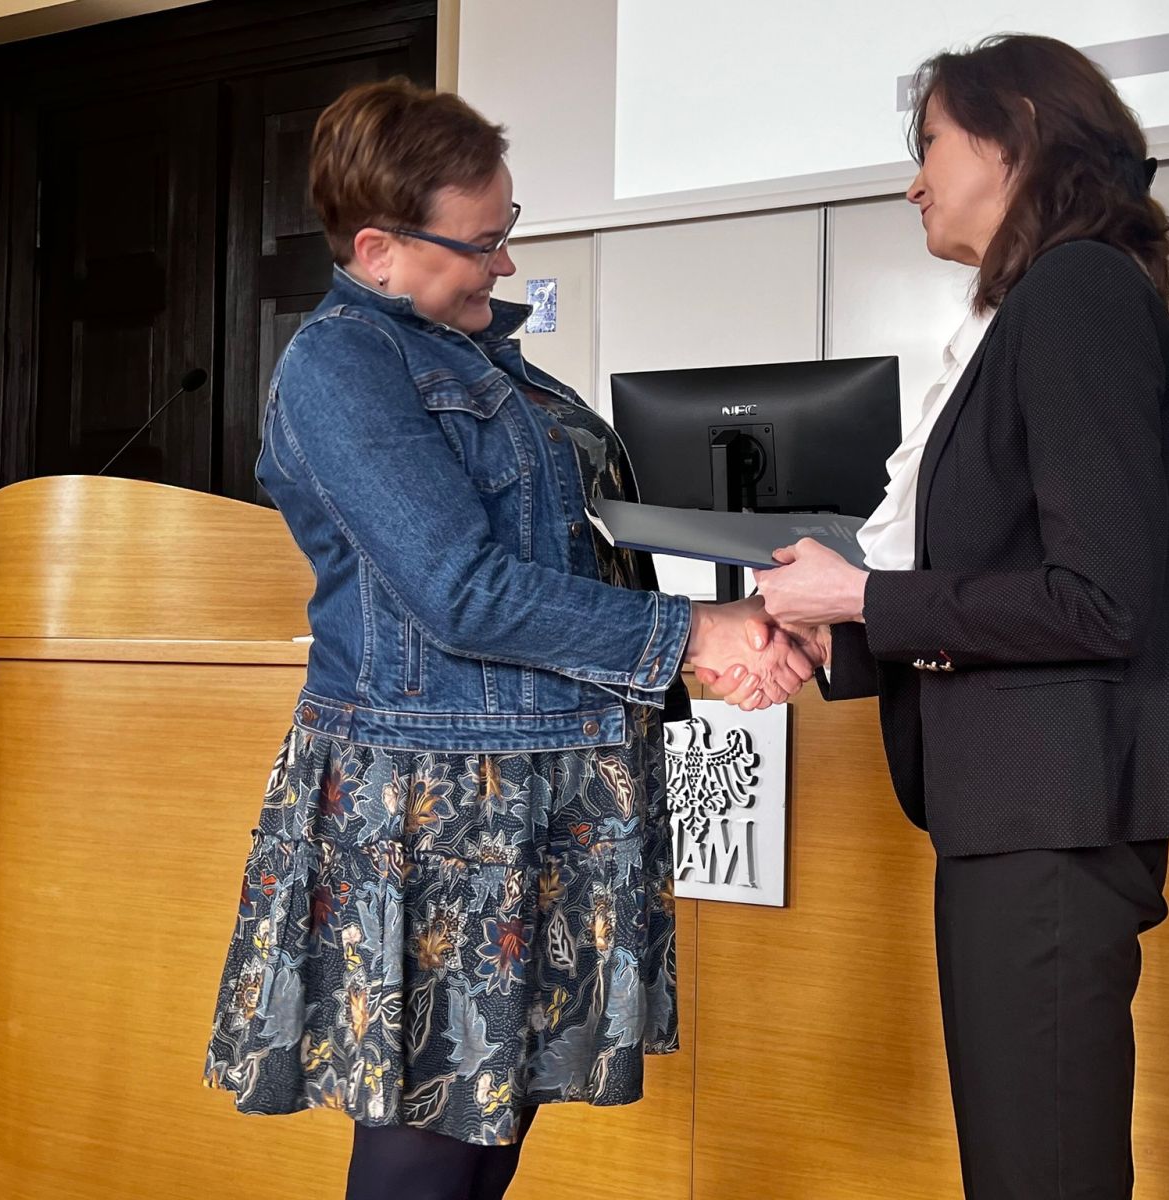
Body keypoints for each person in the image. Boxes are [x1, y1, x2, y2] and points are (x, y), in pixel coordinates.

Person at [202, 79, 815, 1200]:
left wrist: (729, 627)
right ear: (378, 247)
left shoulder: (486, 358)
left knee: (493, 1123)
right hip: (440, 805)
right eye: (481, 244)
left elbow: (565, 557)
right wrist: (691, 634)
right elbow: (461, 592)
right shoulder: (342, 366)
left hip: (546, 779)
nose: (500, 266)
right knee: (431, 1135)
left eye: (506, 233)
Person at [710, 34, 1169, 1200]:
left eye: (930, 146)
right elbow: (1006, 578)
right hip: (1019, 806)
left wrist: (858, 596)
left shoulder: (1077, 291)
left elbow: (1096, 600)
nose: (913, 180)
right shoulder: (1044, 299)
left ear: (1013, 141)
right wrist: (831, 626)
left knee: (1038, 1170)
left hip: (1050, 808)